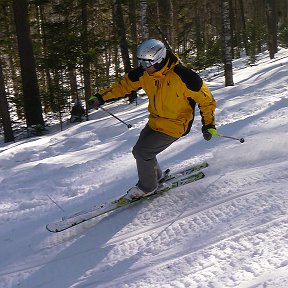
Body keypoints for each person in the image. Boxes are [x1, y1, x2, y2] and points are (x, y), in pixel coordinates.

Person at [88, 39, 217, 200]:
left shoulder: (184, 77)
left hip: (176, 124)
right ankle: (157, 177)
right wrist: (100, 97)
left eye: (147, 63)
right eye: (141, 62)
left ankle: (147, 187)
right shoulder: (145, 73)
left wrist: (209, 124)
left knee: (143, 152)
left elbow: (207, 101)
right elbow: (123, 86)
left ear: (160, 60)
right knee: (140, 151)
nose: (144, 67)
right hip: (155, 121)